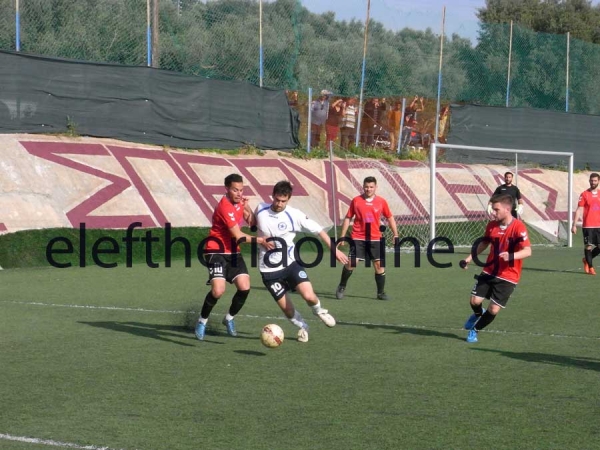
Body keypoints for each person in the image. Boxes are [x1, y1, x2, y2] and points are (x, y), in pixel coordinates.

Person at [255, 181, 349, 343]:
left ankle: (319, 311)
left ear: (289, 199)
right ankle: (303, 327)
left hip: (290, 264)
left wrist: (334, 250)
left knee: (309, 296)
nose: (279, 204)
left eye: (283, 201)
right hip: (268, 271)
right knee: (287, 309)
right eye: (277, 199)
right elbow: (252, 221)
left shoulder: (294, 215)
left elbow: (319, 231)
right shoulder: (260, 209)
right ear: (273, 195)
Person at [195, 173, 269, 341]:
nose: (239, 193)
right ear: (227, 189)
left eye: (241, 190)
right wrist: (261, 241)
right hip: (216, 251)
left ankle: (229, 319)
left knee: (244, 287)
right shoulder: (224, 206)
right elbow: (239, 236)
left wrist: (247, 207)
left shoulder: (239, 202)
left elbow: (252, 223)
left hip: (233, 252)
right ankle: (202, 321)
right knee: (218, 290)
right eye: (235, 190)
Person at [460, 194, 532, 343]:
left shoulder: (518, 227)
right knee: (474, 301)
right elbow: (483, 244)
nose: (493, 212)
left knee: (493, 309)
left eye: (496, 209)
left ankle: (475, 330)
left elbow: (527, 251)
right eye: (493, 209)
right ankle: (478, 314)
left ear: (507, 209)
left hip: (509, 276)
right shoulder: (492, 225)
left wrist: (511, 256)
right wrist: (468, 258)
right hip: (489, 271)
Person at [335, 176, 399, 300]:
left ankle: (380, 293)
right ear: (363, 187)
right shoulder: (356, 201)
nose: (368, 189)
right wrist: (342, 236)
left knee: (379, 265)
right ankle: (342, 286)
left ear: (375, 187)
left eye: (371, 187)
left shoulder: (381, 201)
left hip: (375, 238)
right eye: (366, 187)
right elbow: (348, 218)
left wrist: (396, 234)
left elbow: (390, 217)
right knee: (351, 263)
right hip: (358, 237)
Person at [571, 172, 600, 275]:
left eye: (595, 181)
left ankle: (586, 259)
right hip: (588, 225)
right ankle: (591, 267)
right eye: (591, 180)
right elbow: (579, 209)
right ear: (589, 181)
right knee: (588, 246)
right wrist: (574, 225)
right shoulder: (584, 194)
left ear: (598, 181)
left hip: (599, 225)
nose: (593, 182)